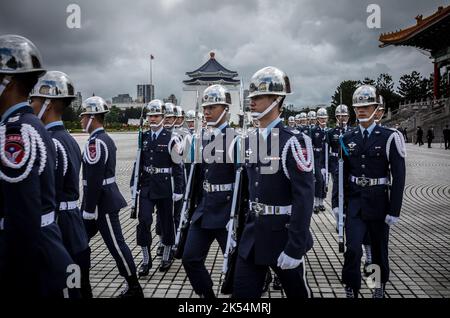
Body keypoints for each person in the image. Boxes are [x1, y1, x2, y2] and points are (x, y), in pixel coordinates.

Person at [0, 34, 74, 297]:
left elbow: (22, 218)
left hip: (32, 262)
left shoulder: (18, 132)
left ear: (8, 83)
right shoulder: (29, 126)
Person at [232, 66, 314, 298]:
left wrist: (295, 248)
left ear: (277, 99)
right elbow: (247, 192)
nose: (252, 102)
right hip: (253, 235)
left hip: (283, 235)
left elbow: (303, 199)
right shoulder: (249, 141)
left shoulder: (294, 142)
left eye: (259, 96)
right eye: (252, 97)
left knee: (298, 294)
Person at [29, 71, 92, 297]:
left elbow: (49, 196)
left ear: (49, 103)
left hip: (60, 228)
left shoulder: (52, 142)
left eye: (34, 100)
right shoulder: (68, 139)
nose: (31, 106)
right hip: (74, 225)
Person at [341, 85, 406, 298]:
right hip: (356, 202)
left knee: (377, 249)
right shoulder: (348, 137)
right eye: (357, 107)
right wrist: (338, 204)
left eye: (366, 106)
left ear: (376, 108)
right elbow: (341, 174)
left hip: (378, 201)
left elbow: (399, 175)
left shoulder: (389, 136)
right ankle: (351, 286)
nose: (361, 110)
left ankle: (376, 285)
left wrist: (394, 209)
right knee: (353, 248)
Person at [80, 96, 143, 298]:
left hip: (102, 204)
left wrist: (89, 210)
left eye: (83, 117)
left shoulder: (96, 143)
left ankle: (134, 287)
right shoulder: (101, 139)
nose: (81, 121)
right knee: (79, 242)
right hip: (99, 203)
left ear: (92, 117)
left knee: (117, 245)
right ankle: (80, 284)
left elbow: (95, 181)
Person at [182, 84, 236, 298]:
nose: (206, 111)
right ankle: (207, 296)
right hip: (204, 209)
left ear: (224, 108)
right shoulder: (201, 138)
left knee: (235, 263)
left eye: (212, 107)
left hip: (226, 211)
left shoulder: (235, 139)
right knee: (190, 258)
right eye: (205, 107)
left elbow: (245, 182)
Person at [131, 99, 184, 275]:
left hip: (164, 186)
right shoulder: (144, 137)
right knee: (144, 221)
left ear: (163, 117)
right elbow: (138, 162)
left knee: (167, 222)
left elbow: (178, 166)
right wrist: (133, 183)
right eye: (150, 116)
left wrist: (178, 189)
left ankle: (166, 256)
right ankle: (146, 259)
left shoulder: (171, 138)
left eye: (156, 116)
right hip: (146, 186)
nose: (152, 119)